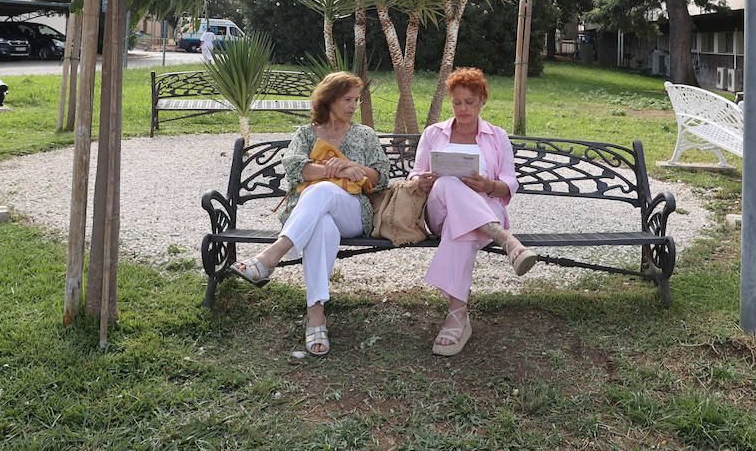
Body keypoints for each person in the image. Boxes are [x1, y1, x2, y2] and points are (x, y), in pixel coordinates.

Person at [230, 71, 389, 356]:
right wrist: (337, 168)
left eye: (356, 99)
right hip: (313, 215)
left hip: (353, 212)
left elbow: (381, 177)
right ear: (328, 100)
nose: (353, 106)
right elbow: (293, 168)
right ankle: (316, 314)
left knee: (321, 191)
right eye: (347, 100)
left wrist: (354, 168)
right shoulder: (306, 133)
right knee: (322, 225)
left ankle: (270, 257)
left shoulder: (365, 135)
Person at [411, 67, 538, 356]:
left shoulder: (497, 136)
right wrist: (422, 180)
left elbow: (509, 183)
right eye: (457, 102)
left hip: (485, 206)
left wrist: (487, 184)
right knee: (447, 182)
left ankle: (458, 317)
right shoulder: (434, 133)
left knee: (463, 229)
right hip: (440, 211)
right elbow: (414, 175)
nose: (463, 108)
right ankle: (506, 239)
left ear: (482, 100)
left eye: (470, 102)